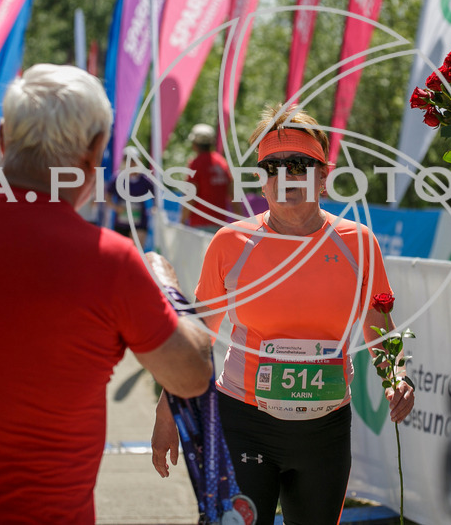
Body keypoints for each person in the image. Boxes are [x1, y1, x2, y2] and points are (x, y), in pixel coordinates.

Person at [0, 64, 213, 523]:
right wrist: (168, 290)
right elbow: (192, 375)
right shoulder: (110, 262)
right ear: (95, 150)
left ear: (3, 138)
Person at [152, 105, 415, 525]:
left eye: (298, 164)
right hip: (244, 422)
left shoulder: (357, 244)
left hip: (324, 432)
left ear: (323, 175)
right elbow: (198, 340)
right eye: (270, 166)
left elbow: (381, 328)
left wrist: (395, 376)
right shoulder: (231, 242)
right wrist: (168, 416)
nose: (283, 176)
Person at [180, 123, 234, 231]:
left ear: (194, 144)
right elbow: (233, 195)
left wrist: (181, 221)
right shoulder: (222, 162)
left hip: (199, 225)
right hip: (220, 225)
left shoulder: (196, 163)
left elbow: (190, 196)